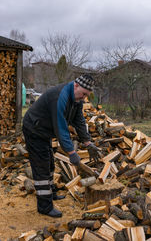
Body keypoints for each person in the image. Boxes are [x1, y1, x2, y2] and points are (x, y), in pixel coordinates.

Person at [22, 74, 100, 218]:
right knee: (42, 166)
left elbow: (79, 120)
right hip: (34, 129)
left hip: (44, 130)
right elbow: (61, 127)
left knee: (50, 162)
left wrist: (87, 142)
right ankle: (44, 207)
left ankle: (50, 193)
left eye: (86, 95)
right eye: (83, 94)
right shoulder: (60, 97)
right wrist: (71, 153)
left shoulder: (76, 98)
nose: (84, 98)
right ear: (76, 85)